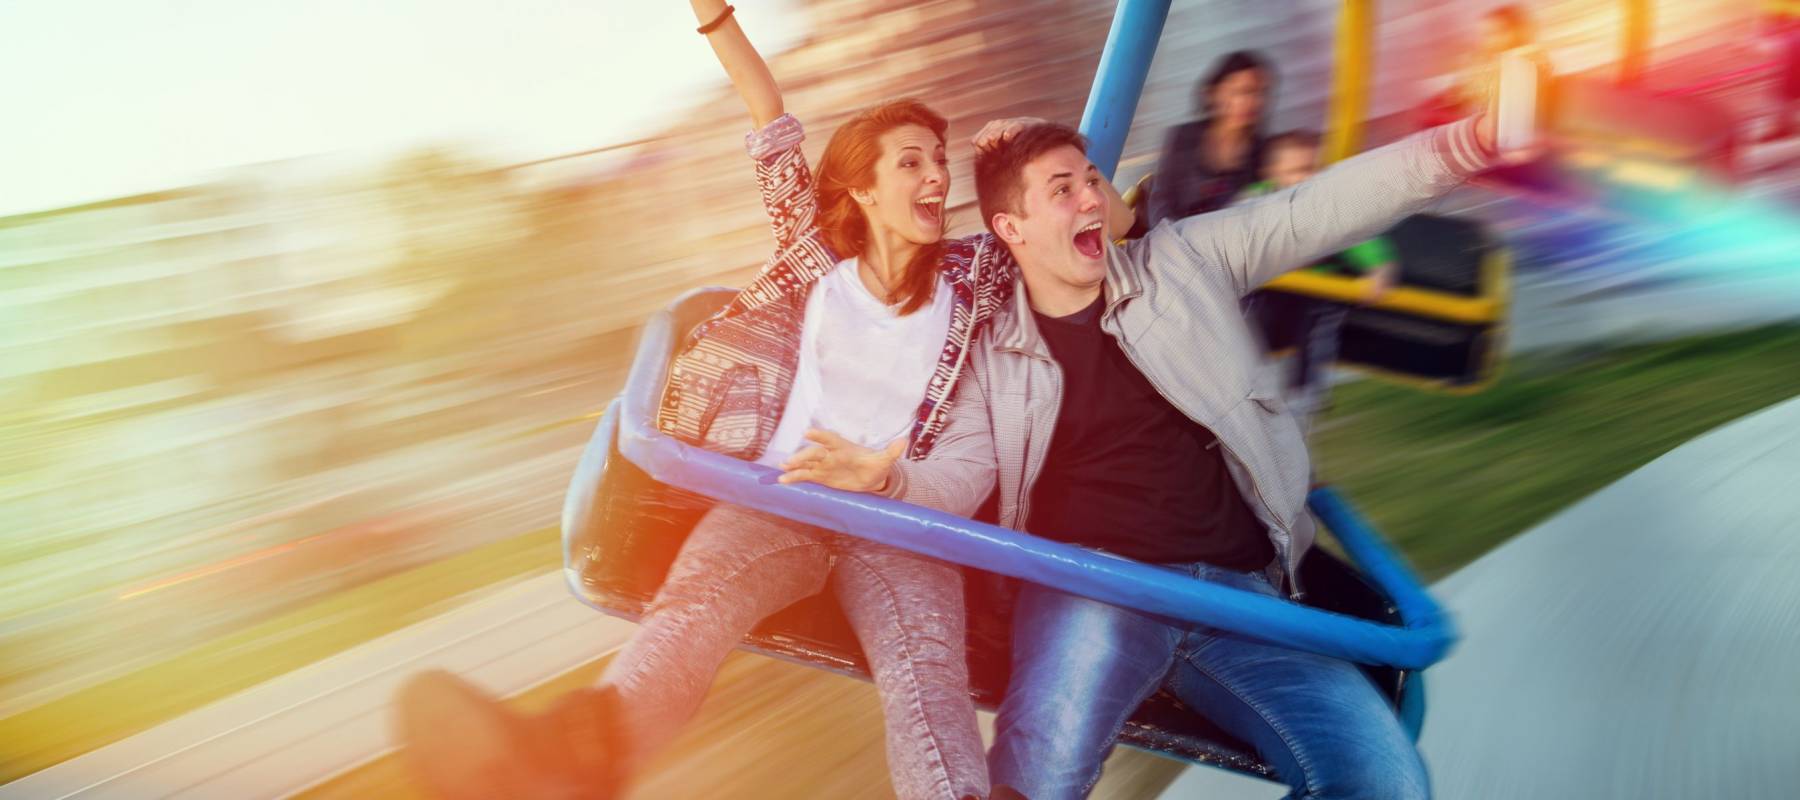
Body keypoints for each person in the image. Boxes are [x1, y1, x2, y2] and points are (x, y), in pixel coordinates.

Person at [392, 2, 1130, 799]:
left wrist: (1048, 157)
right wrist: (716, 21)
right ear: (863, 188)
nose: (934, 178)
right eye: (910, 162)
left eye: (938, 163)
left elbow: (1097, 223)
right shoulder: (812, 250)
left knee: (926, 678)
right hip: (783, 498)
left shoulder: (975, 272)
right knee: (693, 608)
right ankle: (560, 767)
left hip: (897, 518)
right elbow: (768, 114)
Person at [784, 110, 1503, 799]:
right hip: (1094, 588)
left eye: (1091, 180)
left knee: (1385, 782)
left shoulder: (1184, 263)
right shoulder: (992, 354)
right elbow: (962, 473)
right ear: (1012, 228)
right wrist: (891, 478)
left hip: (1238, 597)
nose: (1090, 198)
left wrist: (1464, 144)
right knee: (1038, 782)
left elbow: (1317, 209)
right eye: (1061, 190)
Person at [1237, 129, 1398, 432]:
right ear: (1272, 173)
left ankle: (1305, 394)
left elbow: (1362, 238)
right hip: (1270, 289)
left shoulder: (1328, 206)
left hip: (1314, 289)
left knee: (1319, 320)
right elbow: (1225, 232)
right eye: (1296, 170)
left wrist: (1379, 269)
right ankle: (1241, 385)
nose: (1305, 178)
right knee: (1244, 316)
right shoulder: (1256, 200)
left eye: (1312, 169)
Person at [1144, 50, 1275, 227]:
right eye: (1242, 92)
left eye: (1260, 93)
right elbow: (1161, 200)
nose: (1253, 102)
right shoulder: (1183, 137)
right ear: (1213, 94)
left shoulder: (1263, 153)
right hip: (1174, 237)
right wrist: (1170, 238)